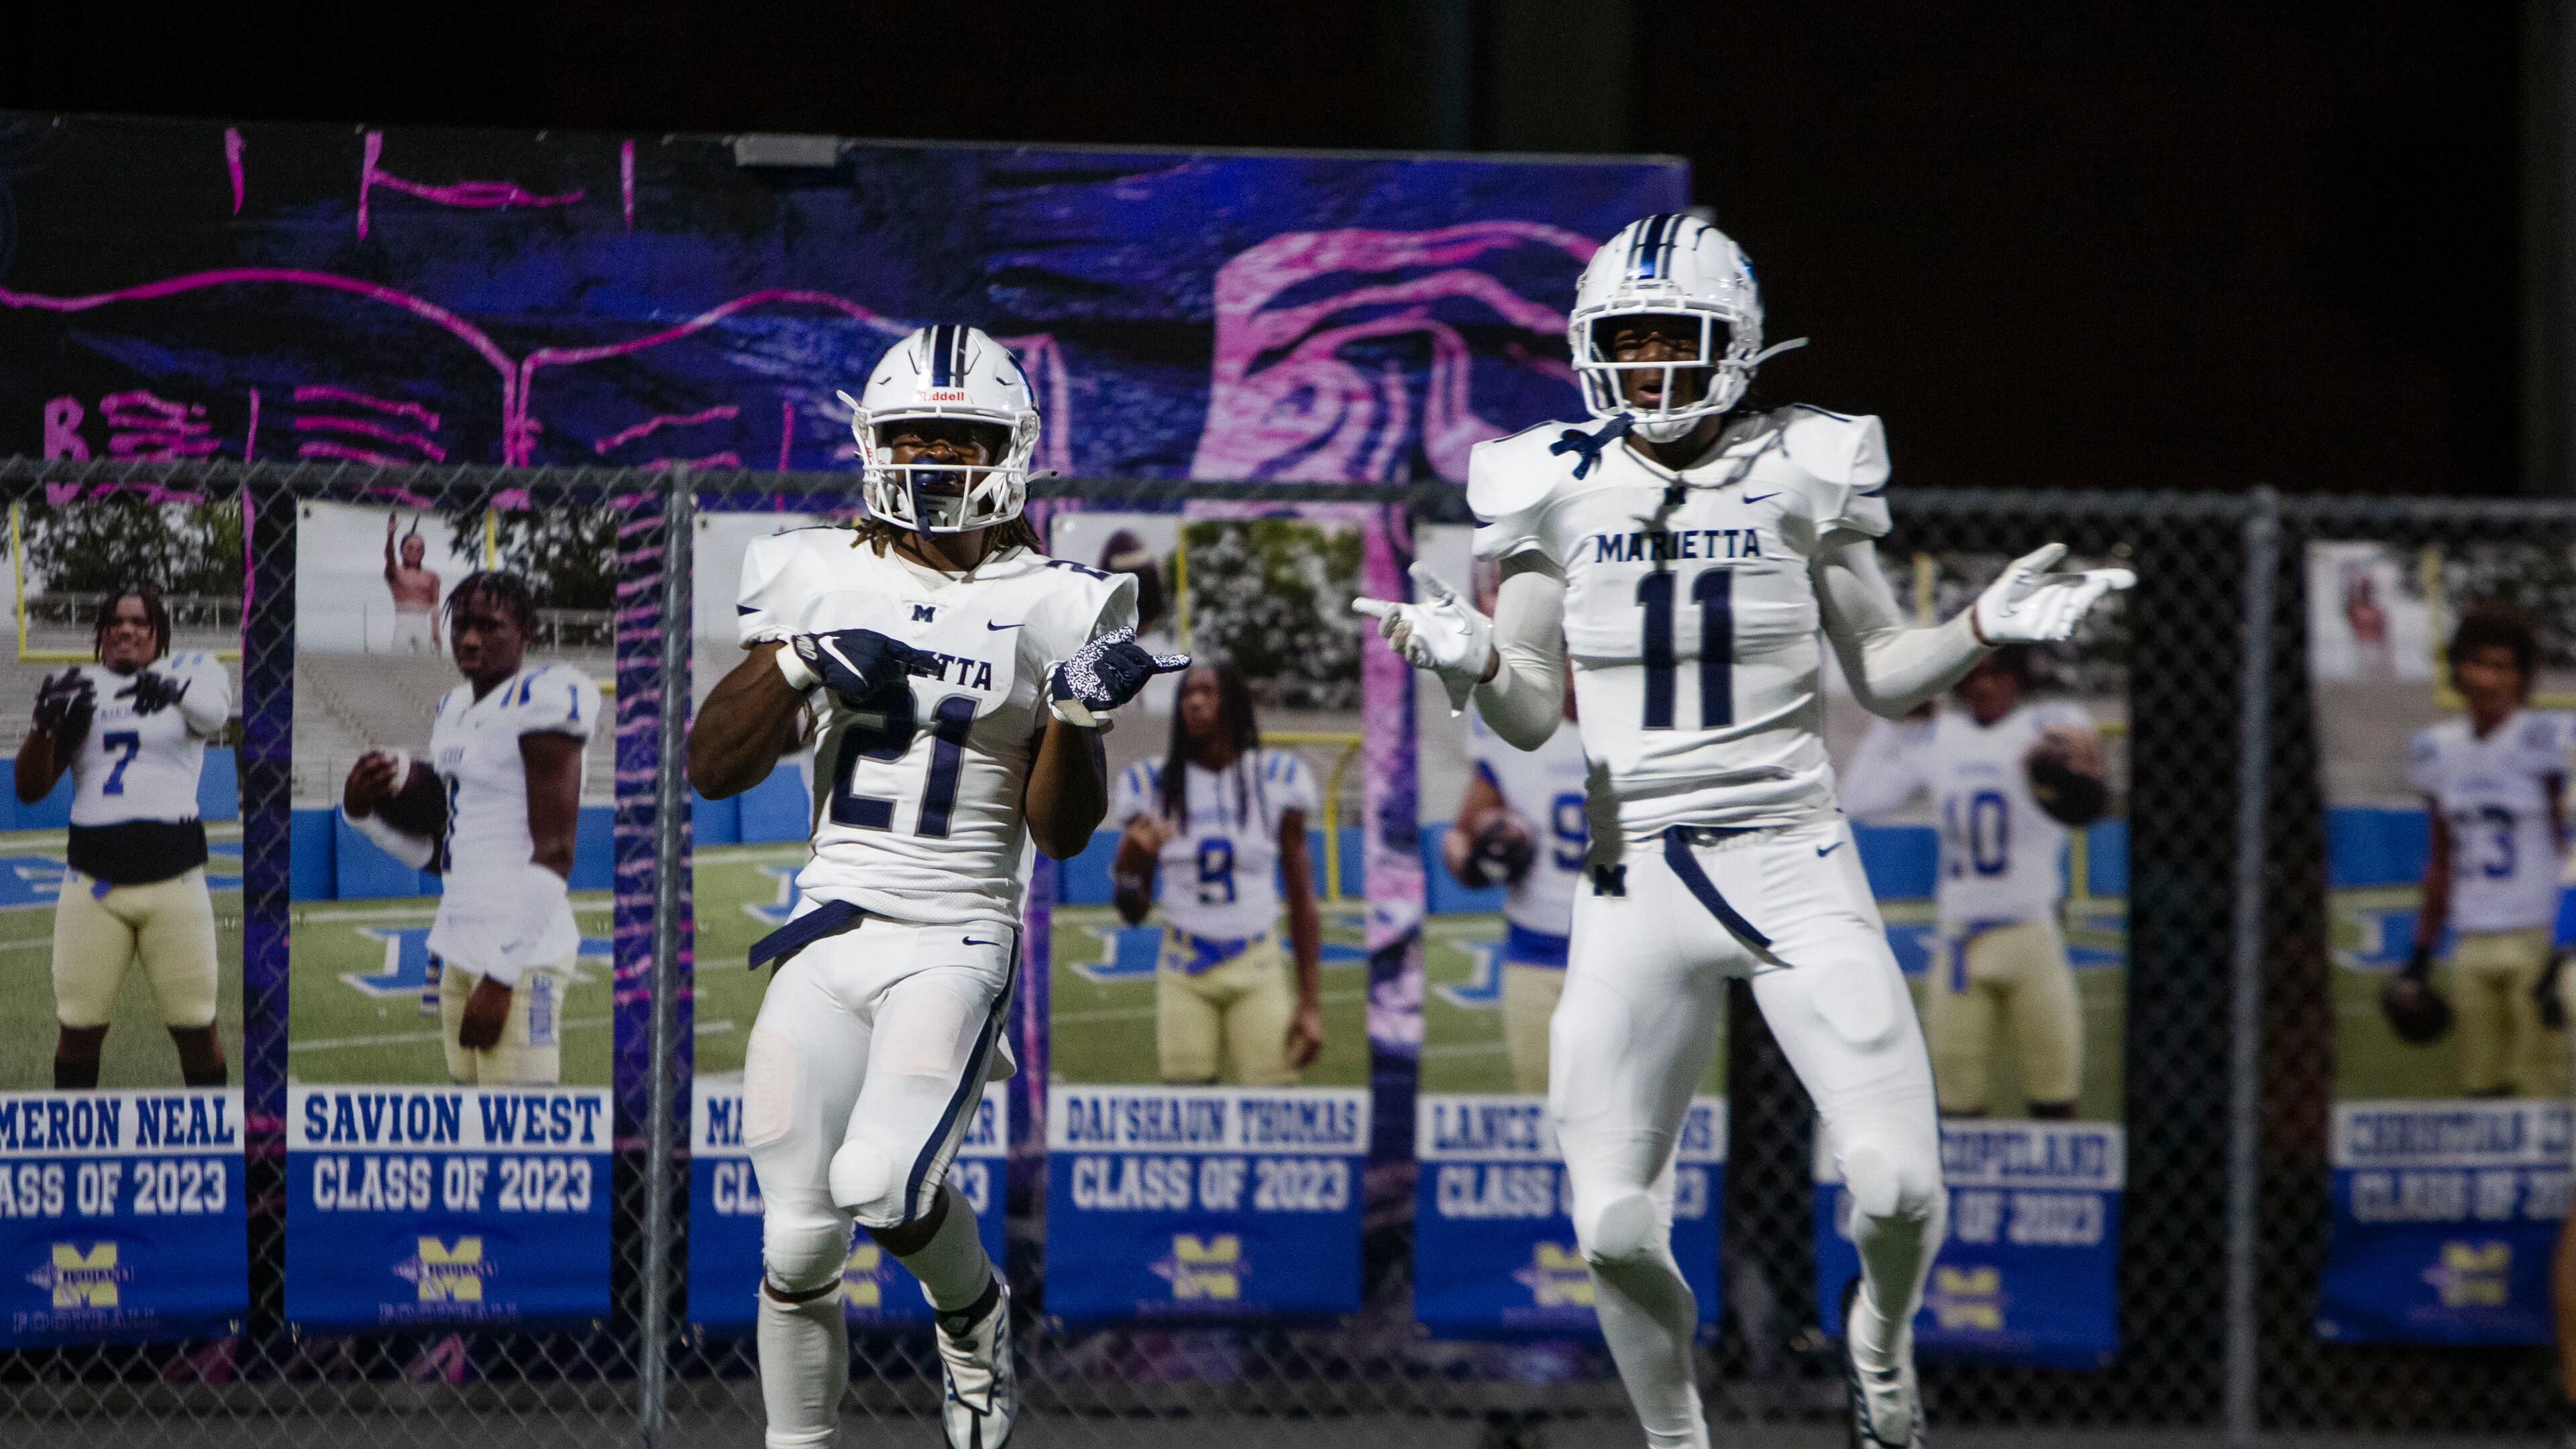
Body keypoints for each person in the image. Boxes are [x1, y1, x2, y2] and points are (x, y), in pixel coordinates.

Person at [1356, 213, 2133, 1449]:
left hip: (1793, 858)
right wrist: (1467, 663)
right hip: (1629, 877)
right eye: (1631, 339)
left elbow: (1880, 670)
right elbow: (1525, 712)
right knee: (1612, 1222)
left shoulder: (1802, 464)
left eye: (1680, 337)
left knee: (1897, 1186)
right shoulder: (1554, 481)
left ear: (1739, 344)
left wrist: (1984, 622)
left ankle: (1877, 1336)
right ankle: (1678, 1440)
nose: (1654, 366)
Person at [686, 324, 1182, 1449]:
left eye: (960, 438)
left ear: (1008, 451)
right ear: (871, 443)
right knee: (798, 1240)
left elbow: (1060, 835)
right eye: (912, 434)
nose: (932, 459)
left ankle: (973, 1314)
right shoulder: (813, 568)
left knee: (881, 1180)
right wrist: (801, 659)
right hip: (824, 932)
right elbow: (711, 765)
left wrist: (1075, 716)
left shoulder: (1062, 598)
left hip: (954, 935)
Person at [339, 570, 593, 1087]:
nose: (470, 638)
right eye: (461, 625)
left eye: (489, 626)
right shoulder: (453, 707)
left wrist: (501, 981)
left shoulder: (545, 697)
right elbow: (439, 857)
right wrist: (362, 813)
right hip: (457, 940)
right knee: (469, 1123)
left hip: (524, 956)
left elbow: (558, 853)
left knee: (521, 1129)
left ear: (526, 632)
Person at [1840, 647, 2112, 1119]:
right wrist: (1893, 723)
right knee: (1955, 1103)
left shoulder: (2046, 723)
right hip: (1961, 941)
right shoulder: (1937, 737)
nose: (1984, 686)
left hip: (2032, 934)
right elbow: (1856, 799)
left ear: (2018, 679)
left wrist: (2069, 747)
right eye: (1972, 677)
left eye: (1998, 674)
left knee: (2057, 1097)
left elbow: (2079, 750)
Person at [17, 586, 232, 1089]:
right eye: (115, 622)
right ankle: (74, 1145)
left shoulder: (193, 671)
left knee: (197, 1030)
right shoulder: (75, 684)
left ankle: (210, 1148)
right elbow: (30, 789)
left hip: (174, 880)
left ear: (158, 635)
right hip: (93, 883)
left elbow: (216, 715)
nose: (126, 630)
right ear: (101, 635)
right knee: (78, 1030)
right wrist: (43, 725)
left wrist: (171, 689)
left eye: (139, 622)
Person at [1110, 660, 1324, 1085]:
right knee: (1188, 1115)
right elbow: (1131, 910)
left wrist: (1310, 1003)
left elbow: (1302, 897)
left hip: (1256, 959)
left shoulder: (1276, 778)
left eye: (1208, 692)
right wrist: (1133, 856)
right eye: (1187, 694)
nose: (1195, 702)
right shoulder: (1151, 784)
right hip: (1182, 962)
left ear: (1235, 703)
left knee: (1272, 1111)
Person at [2381, 608, 2568, 1096]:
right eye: (2480, 664)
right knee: (2480, 1091)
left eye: (2506, 668)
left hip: (2537, 933)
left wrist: (2566, 945)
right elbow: (2440, 860)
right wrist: (2420, 955)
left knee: (2541, 1091)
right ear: (2458, 669)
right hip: (2472, 938)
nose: (2491, 679)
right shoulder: (2436, 750)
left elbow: (2569, 844)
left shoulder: (2543, 739)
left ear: (2525, 679)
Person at [1442, 663, 1586, 1094]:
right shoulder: (1511, 735)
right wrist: (1478, 863)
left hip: (1622, 953)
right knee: (1541, 1111)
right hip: (1534, 951)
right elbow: (1458, 836)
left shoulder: (1640, 727)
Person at [385, 513, 443, 655]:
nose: (414, 553)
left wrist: (435, 630)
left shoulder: (432, 576)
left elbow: (435, 606)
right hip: (403, 621)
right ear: (402, 550)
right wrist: (391, 536)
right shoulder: (396, 572)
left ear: (423, 552)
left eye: (419, 549)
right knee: (398, 658)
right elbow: (389, 557)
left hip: (422, 623)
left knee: (425, 660)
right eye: (409, 548)